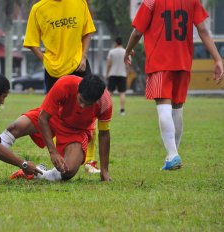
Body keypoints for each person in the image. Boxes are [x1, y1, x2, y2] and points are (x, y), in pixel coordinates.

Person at [124, 0, 224, 170]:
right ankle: (173, 155)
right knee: (177, 110)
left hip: (159, 63)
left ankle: (172, 154)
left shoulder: (151, 1)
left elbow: (137, 32)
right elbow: (203, 30)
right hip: (183, 62)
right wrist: (217, 58)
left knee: (163, 108)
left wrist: (128, 51)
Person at [0, 75, 113, 182]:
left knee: (67, 171)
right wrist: (53, 152)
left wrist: (105, 171)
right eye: (81, 100)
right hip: (54, 117)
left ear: (97, 100)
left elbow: (104, 135)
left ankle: (40, 173)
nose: (82, 106)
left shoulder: (105, 103)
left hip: (77, 130)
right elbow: (43, 118)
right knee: (15, 127)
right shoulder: (65, 84)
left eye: (88, 104)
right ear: (78, 88)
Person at [23, 0, 100, 173]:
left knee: (89, 114)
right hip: (54, 73)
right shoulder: (38, 9)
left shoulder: (79, 2)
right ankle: (61, 160)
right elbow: (31, 43)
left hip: (79, 67)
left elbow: (87, 32)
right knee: (56, 117)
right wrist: (46, 61)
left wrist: (83, 56)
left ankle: (90, 161)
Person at [106, 37, 128, 116]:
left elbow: (108, 64)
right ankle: (122, 110)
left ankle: (106, 109)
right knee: (122, 93)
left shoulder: (112, 52)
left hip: (112, 74)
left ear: (116, 43)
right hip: (122, 74)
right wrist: (127, 72)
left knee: (109, 93)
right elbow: (128, 64)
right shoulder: (126, 51)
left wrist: (107, 74)